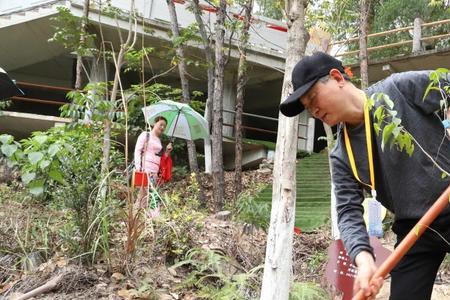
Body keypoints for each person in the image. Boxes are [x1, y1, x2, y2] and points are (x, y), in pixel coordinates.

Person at [280, 52, 450, 300]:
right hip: (416, 231)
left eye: (313, 98)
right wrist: (364, 259)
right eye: (307, 107)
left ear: (337, 77)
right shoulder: (341, 155)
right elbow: (348, 212)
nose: (313, 110)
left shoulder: (397, 90)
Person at [134, 116, 173, 212]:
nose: (162, 127)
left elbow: (160, 158)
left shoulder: (159, 140)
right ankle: (153, 216)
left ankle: (139, 219)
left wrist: (167, 152)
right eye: (161, 124)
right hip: (145, 169)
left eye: (164, 126)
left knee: (144, 196)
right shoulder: (145, 135)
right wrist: (138, 167)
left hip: (155, 172)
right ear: (154, 124)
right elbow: (137, 150)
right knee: (149, 195)